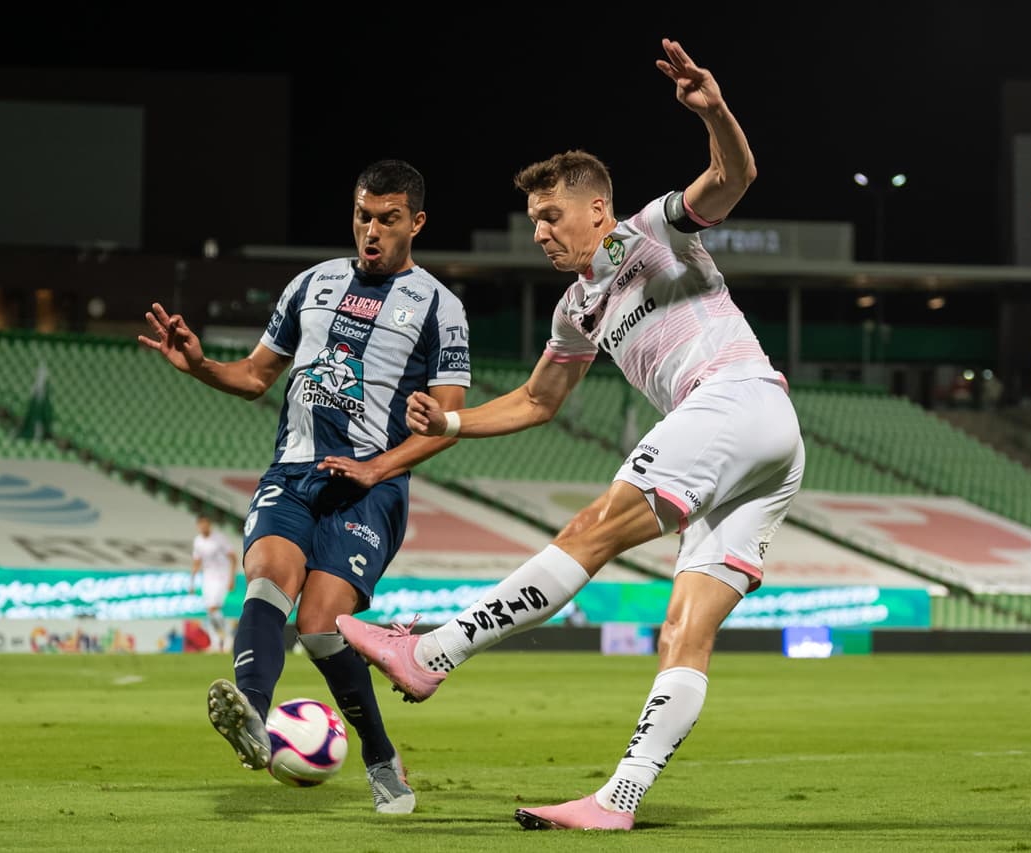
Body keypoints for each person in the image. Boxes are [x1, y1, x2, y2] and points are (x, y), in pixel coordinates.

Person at [337, 39, 804, 831]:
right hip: (768, 444)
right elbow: (536, 399)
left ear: (597, 209)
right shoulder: (575, 309)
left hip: (732, 398)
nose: (541, 233)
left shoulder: (652, 231)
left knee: (591, 528)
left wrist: (714, 112)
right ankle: (618, 799)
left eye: (551, 216)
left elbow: (733, 178)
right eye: (533, 222)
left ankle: (433, 652)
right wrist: (451, 420)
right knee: (683, 629)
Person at [137, 159, 471, 815]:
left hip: (370, 488)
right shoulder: (311, 283)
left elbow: (449, 422)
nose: (371, 230)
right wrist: (200, 365)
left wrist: (377, 467)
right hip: (292, 472)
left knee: (319, 627)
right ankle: (252, 718)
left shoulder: (440, 306)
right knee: (265, 578)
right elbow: (256, 375)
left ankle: (380, 756)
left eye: (388, 219)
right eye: (363, 216)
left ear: (417, 223)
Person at [190, 513, 238, 652]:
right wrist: (192, 582)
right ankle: (216, 642)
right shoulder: (198, 541)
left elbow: (233, 558)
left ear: (209, 524)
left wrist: (232, 578)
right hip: (207, 577)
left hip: (221, 576)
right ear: (198, 526)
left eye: (206, 523)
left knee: (213, 608)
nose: (203, 526)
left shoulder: (219, 539)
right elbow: (197, 562)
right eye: (201, 524)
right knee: (210, 611)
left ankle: (229, 636)